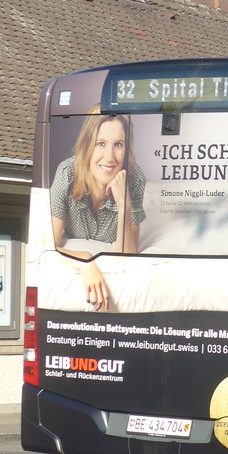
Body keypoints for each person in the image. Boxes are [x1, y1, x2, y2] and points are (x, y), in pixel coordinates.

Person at [49, 107, 146, 310]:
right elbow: (49, 246)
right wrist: (85, 261)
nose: (109, 157)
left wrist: (124, 205)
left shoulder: (134, 178)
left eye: (118, 145)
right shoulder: (67, 173)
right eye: (101, 144)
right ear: (87, 146)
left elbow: (127, 257)